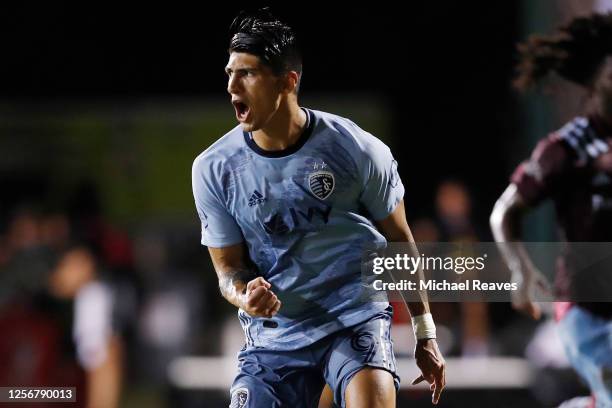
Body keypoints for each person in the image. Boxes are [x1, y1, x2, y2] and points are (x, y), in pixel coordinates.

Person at [191, 8, 445, 408]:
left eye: (248, 73)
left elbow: (399, 239)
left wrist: (424, 333)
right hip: (275, 335)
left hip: (353, 318)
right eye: (229, 73)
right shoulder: (214, 169)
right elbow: (227, 270)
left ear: (288, 82)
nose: (232, 86)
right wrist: (244, 295)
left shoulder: (355, 150)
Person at [490, 12, 612, 407]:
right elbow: (504, 211)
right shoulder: (566, 149)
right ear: (595, 83)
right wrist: (520, 270)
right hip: (588, 313)